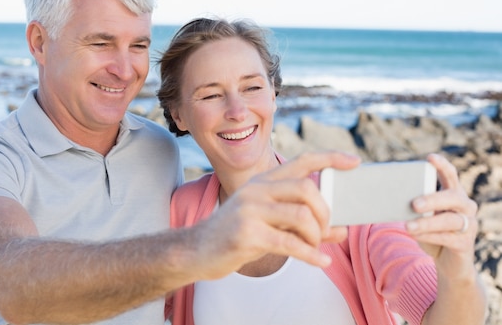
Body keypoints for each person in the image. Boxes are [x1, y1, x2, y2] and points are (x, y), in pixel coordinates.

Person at [0, 0, 362, 325]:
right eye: (101, 43)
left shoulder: (157, 148)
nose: (125, 70)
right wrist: (199, 246)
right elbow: (12, 284)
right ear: (39, 43)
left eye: (138, 45)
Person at [157, 17, 487, 325]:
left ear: (273, 95)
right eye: (211, 94)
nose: (237, 111)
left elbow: (437, 314)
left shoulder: (353, 206)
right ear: (179, 115)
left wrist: (457, 273)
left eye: (252, 87)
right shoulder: (178, 215)